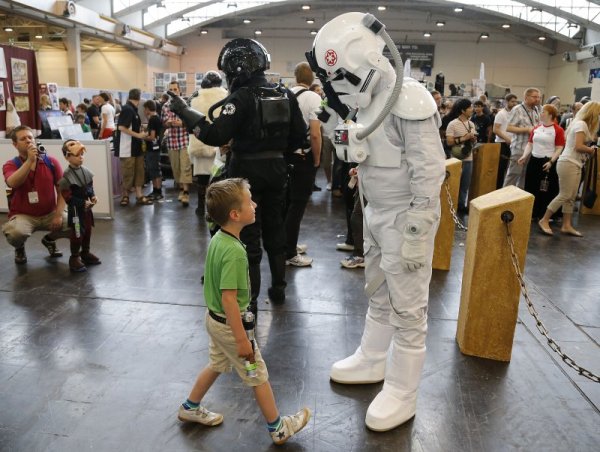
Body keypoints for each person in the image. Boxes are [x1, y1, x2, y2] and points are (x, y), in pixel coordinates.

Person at [308, 12, 445, 431]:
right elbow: (367, 146)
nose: (336, 86)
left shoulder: (409, 97)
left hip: (407, 216)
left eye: (340, 76)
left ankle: (404, 390)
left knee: (409, 306)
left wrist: (419, 228)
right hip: (376, 211)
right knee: (380, 290)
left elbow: (429, 169)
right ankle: (372, 358)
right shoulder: (368, 101)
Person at [167, 38, 306, 315]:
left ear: (236, 69)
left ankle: (251, 301)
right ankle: (279, 289)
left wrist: (183, 110)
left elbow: (214, 134)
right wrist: (278, 155)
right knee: (275, 230)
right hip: (278, 172)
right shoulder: (285, 94)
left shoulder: (241, 98)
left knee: (249, 238)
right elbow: (300, 137)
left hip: (246, 174)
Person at [177, 178, 311, 445]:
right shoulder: (236, 252)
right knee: (257, 374)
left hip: (214, 321)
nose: (255, 203)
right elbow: (229, 299)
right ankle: (278, 428)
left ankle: (190, 407)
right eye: (250, 201)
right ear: (235, 215)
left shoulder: (218, 238)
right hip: (231, 327)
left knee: (217, 363)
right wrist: (242, 340)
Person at [2, 125, 68, 265]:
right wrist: (29, 161)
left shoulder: (51, 162)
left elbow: (62, 190)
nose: (28, 141)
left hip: (50, 213)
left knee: (76, 223)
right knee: (14, 233)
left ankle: (49, 240)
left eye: (30, 137)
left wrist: (58, 214)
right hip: (23, 215)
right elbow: (13, 183)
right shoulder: (10, 164)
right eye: (23, 138)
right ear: (15, 144)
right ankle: (19, 247)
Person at [537, 101, 600, 237]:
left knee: (570, 197)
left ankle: (566, 225)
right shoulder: (581, 124)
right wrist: (592, 150)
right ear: (593, 113)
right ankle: (544, 219)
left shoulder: (580, 124)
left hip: (575, 163)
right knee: (565, 195)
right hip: (569, 163)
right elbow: (578, 146)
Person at [284, 62, 322, 267]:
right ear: (312, 79)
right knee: (297, 205)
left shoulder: (285, 94)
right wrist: (316, 159)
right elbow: (315, 134)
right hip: (302, 157)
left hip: (284, 157)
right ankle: (290, 252)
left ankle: (287, 243)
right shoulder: (314, 98)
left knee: (286, 203)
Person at [187, 70, 228, 216]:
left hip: (200, 142)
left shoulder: (195, 97)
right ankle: (216, 209)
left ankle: (200, 206)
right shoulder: (225, 96)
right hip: (220, 143)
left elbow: (190, 123)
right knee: (219, 178)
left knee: (202, 179)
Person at [58, 140, 101, 272]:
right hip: (76, 212)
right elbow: (67, 197)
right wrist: (82, 202)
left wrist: (92, 196)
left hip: (87, 211)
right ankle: (74, 257)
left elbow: (89, 188)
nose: (81, 157)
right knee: (77, 233)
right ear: (67, 157)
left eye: (82, 154)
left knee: (87, 231)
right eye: (77, 155)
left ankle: (85, 253)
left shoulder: (86, 172)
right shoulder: (66, 178)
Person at [517, 104, 565, 219]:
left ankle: (545, 214)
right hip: (534, 160)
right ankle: (532, 212)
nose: (541, 113)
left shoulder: (558, 130)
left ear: (550, 114)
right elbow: (530, 144)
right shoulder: (536, 128)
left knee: (546, 189)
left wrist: (551, 162)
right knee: (531, 186)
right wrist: (524, 156)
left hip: (547, 161)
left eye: (543, 111)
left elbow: (559, 148)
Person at [114, 88, 153, 206]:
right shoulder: (127, 109)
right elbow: (121, 127)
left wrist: (141, 131)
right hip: (127, 148)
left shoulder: (133, 110)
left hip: (136, 148)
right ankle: (125, 195)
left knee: (139, 172)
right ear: (139, 97)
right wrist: (139, 135)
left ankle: (139, 194)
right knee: (128, 172)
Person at [162, 80, 192, 207]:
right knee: (176, 168)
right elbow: (163, 122)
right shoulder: (165, 106)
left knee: (185, 166)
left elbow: (191, 121)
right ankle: (181, 190)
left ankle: (186, 192)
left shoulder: (186, 104)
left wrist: (182, 123)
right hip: (172, 140)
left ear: (180, 90)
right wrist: (168, 123)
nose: (173, 91)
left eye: (175, 89)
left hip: (184, 140)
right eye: (171, 89)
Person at [504, 87, 541, 188]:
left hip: (531, 149)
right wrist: (526, 129)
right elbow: (509, 128)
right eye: (534, 97)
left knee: (524, 177)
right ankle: (503, 200)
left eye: (539, 97)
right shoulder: (517, 109)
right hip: (519, 149)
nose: (537, 99)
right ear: (526, 97)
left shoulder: (536, 109)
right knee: (513, 176)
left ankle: (519, 200)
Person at [445, 98, 477, 213]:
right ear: (463, 110)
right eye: (469, 107)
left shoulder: (471, 124)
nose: (472, 109)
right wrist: (465, 138)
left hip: (469, 158)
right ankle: (451, 204)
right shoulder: (452, 124)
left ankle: (461, 205)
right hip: (455, 159)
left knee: (465, 184)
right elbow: (449, 142)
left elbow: (474, 142)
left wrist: (473, 140)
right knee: (454, 183)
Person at [493, 93, 518, 188]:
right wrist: (507, 139)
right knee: (501, 169)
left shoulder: (515, 114)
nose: (515, 104)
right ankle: (498, 189)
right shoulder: (501, 114)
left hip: (513, 143)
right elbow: (496, 129)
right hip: (502, 144)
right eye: (512, 102)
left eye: (516, 102)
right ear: (506, 102)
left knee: (511, 169)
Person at [142, 99, 164, 200]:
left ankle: (158, 191)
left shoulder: (152, 119)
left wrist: (141, 137)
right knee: (154, 170)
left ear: (147, 109)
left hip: (153, 149)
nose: (143, 111)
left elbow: (152, 137)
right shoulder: (157, 118)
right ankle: (156, 190)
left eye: (144, 109)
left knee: (154, 170)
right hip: (156, 148)